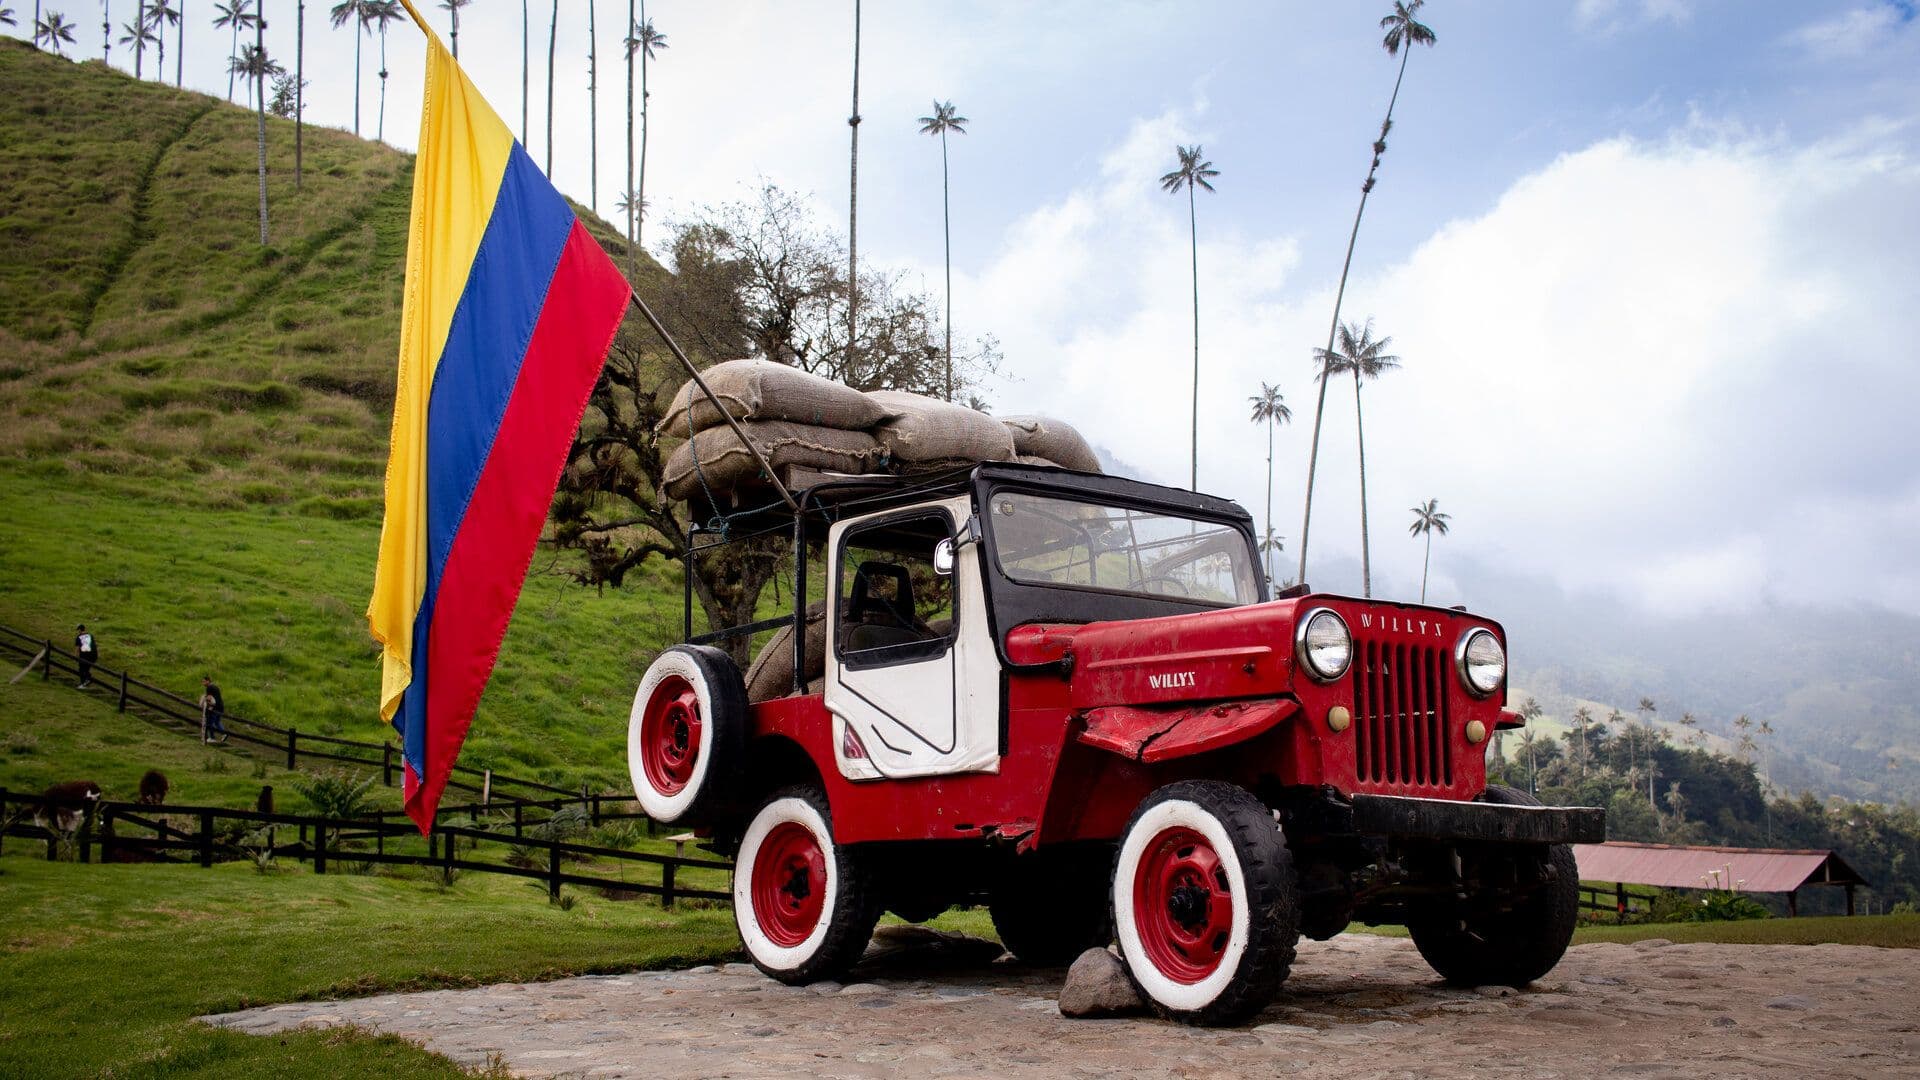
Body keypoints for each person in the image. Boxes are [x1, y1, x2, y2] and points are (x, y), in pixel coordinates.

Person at [200, 676, 229, 744]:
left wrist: (203, 700)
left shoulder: (209, 687)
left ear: (208, 681)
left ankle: (212, 737)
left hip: (215, 707)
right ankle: (224, 734)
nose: (203, 683)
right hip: (221, 706)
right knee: (217, 721)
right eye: (202, 682)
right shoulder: (215, 686)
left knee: (210, 722)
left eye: (204, 681)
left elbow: (209, 698)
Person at [74, 624, 98, 689]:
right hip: (93, 655)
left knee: (81, 669)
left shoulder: (79, 637)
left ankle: (84, 683)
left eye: (77, 630)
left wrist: (75, 656)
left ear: (79, 630)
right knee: (86, 669)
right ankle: (87, 681)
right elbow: (94, 645)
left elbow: (77, 648)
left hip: (84, 655)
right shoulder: (90, 636)